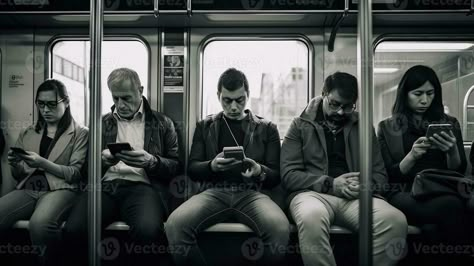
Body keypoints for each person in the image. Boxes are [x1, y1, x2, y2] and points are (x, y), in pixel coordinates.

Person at [165, 68, 290, 266]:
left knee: (280, 230)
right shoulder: (205, 126)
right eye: (227, 100)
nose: (233, 107)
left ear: (248, 95)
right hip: (214, 192)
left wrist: (259, 171)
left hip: (252, 193)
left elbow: (276, 176)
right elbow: (193, 169)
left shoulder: (267, 128)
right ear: (218, 96)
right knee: (174, 225)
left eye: (239, 100)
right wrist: (212, 166)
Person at [281, 72, 407, 266]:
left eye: (347, 106)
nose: (341, 112)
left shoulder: (363, 127)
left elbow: (380, 175)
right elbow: (289, 175)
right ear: (323, 94)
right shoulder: (299, 125)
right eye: (335, 104)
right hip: (312, 194)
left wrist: (364, 186)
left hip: (356, 195)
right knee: (311, 217)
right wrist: (331, 184)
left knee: (395, 220)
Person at [65, 68, 179, 265]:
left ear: (140, 90)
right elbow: (84, 170)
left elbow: (176, 166)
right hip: (106, 186)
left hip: (143, 186)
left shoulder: (162, 123)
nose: (120, 105)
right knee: (74, 229)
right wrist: (101, 162)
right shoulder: (101, 123)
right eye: (115, 98)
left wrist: (152, 162)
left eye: (126, 98)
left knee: (148, 231)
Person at [377, 65, 472, 255]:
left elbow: (458, 170)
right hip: (404, 190)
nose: (425, 100)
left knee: (442, 217)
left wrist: (452, 151)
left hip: (442, 186)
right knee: (451, 205)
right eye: (418, 93)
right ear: (405, 94)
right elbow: (387, 175)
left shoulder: (449, 123)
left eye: (430, 93)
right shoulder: (387, 127)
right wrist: (411, 157)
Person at [0, 79, 88, 266]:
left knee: (40, 225)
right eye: (41, 104)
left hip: (61, 189)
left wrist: (42, 163)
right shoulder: (29, 132)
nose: (45, 110)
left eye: (51, 104)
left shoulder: (81, 133)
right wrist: (15, 164)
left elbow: (74, 173)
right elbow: (19, 175)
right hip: (29, 187)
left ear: (66, 102)